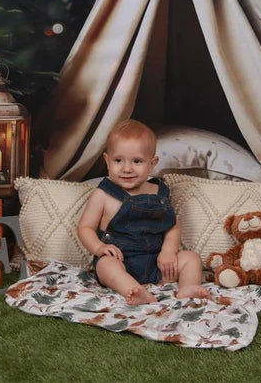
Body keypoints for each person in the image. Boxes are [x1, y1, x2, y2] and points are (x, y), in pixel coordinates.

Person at [77, 120, 210, 305]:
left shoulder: (159, 191)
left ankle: (188, 288)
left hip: (157, 261)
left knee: (191, 258)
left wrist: (168, 251)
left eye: (137, 161)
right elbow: (85, 228)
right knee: (106, 266)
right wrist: (99, 248)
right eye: (118, 160)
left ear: (152, 163)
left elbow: (172, 225)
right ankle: (132, 290)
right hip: (121, 260)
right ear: (107, 161)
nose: (127, 168)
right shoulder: (103, 195)